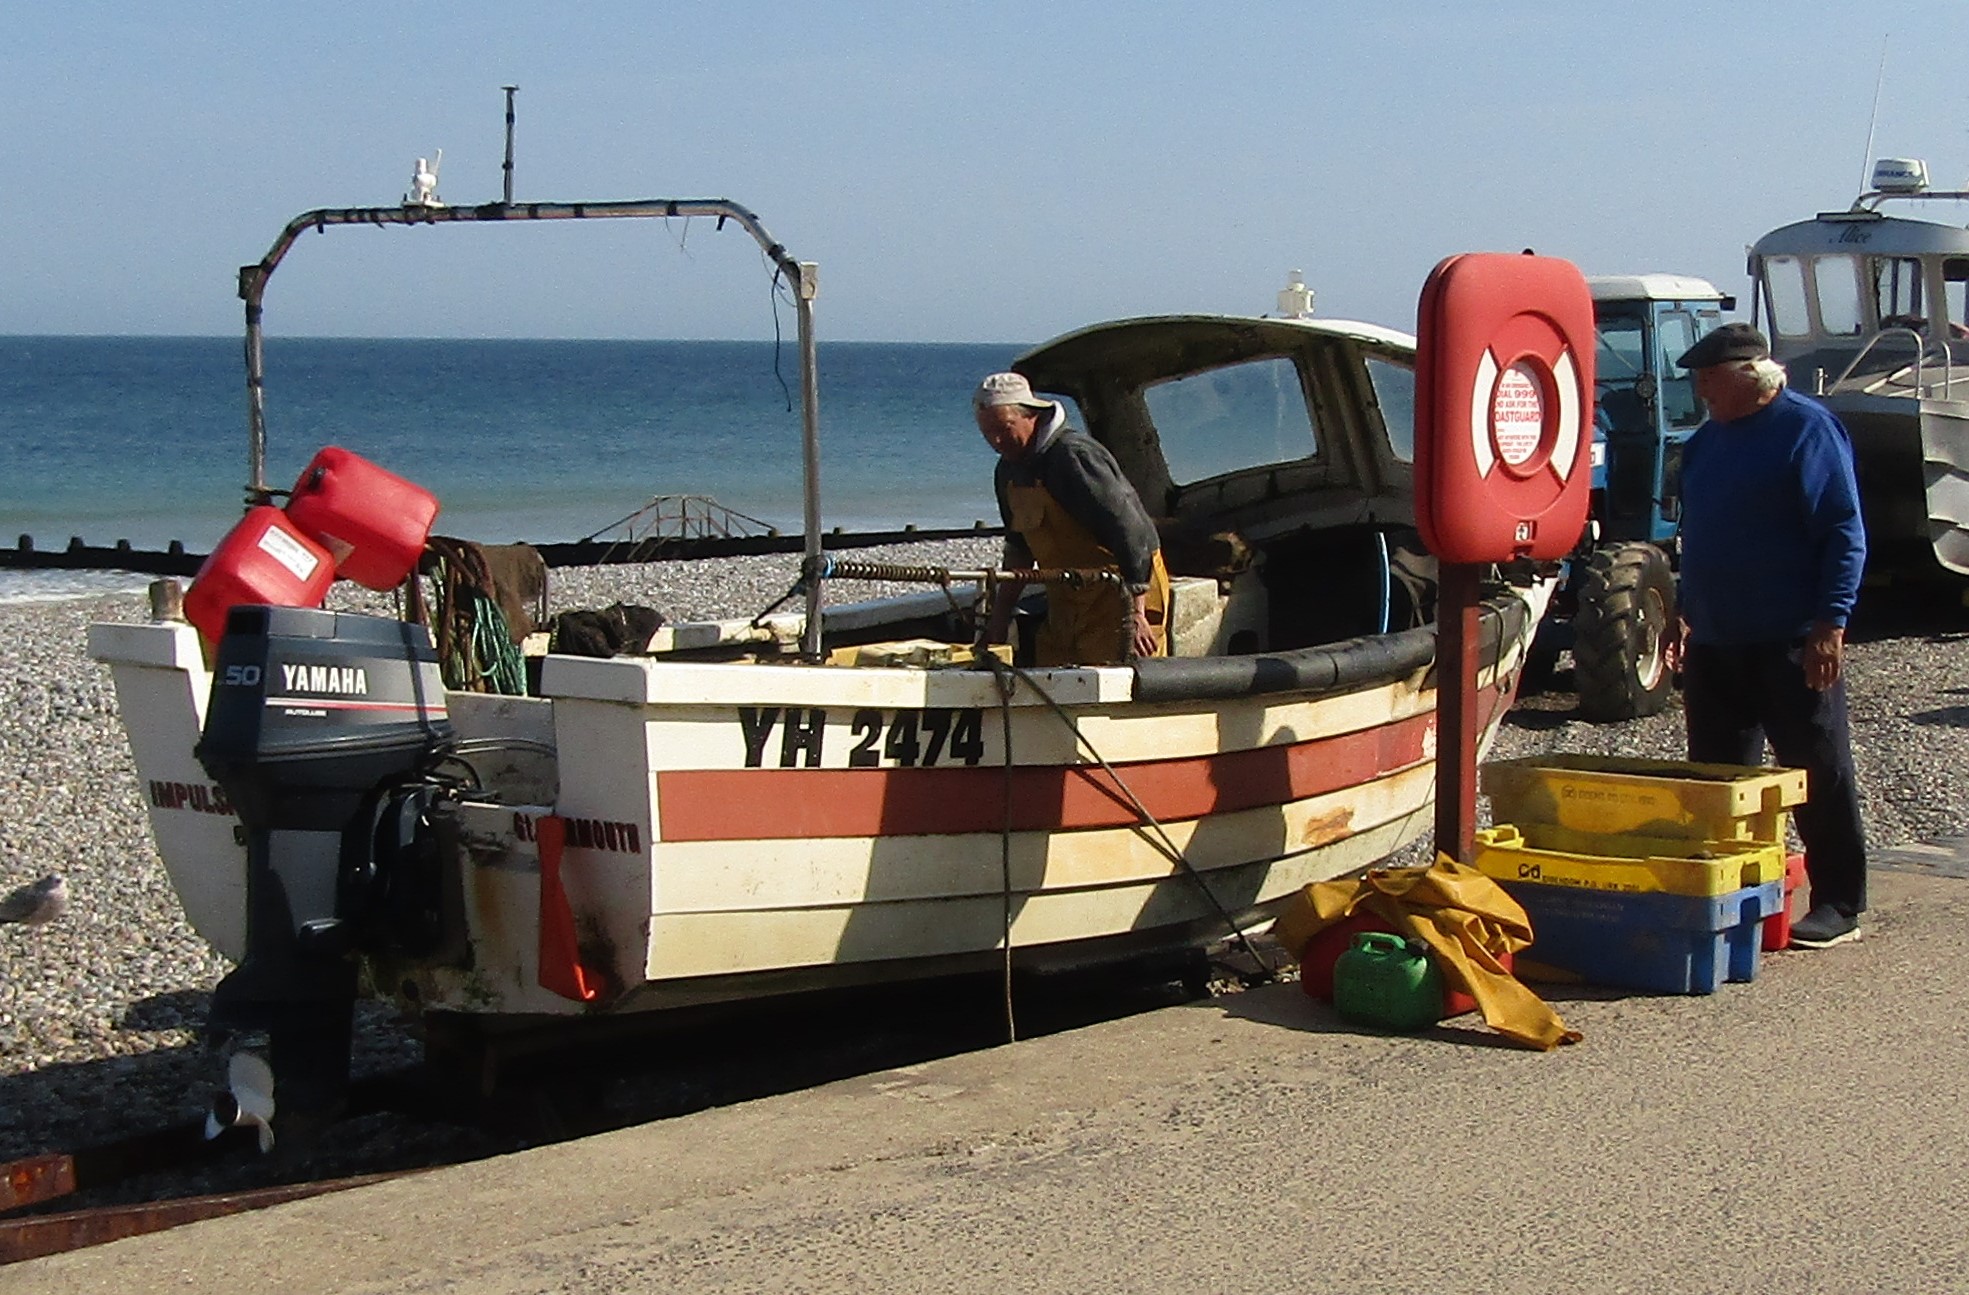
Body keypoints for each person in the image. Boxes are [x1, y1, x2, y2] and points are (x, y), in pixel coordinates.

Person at [1662, 323, 1870, 948]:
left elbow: (1842, 531)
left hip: (1789, 635)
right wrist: (1681, 606)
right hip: (1717, 640)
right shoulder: (1704, 445)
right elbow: (1695, 535)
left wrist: (1831, 625)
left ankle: (1840, 902)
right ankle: (1737, 898)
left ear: (1752, 378)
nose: (1699, 388)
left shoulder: (1806, 429)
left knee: (1815, 767)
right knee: (1721, 780)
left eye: (1709, 377)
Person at [972, 371, 1171, 666]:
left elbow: (1132, 531)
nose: (997, 441)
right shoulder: (1007, 472)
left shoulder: (1073, 456)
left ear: (1032, 416)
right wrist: (999, 621)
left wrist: (1137, 614)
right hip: (1067, 600)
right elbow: (1019, 549)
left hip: (1121, 595)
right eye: (988, 433)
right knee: (1053, 681)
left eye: (1005, 428)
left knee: (1118, 685)